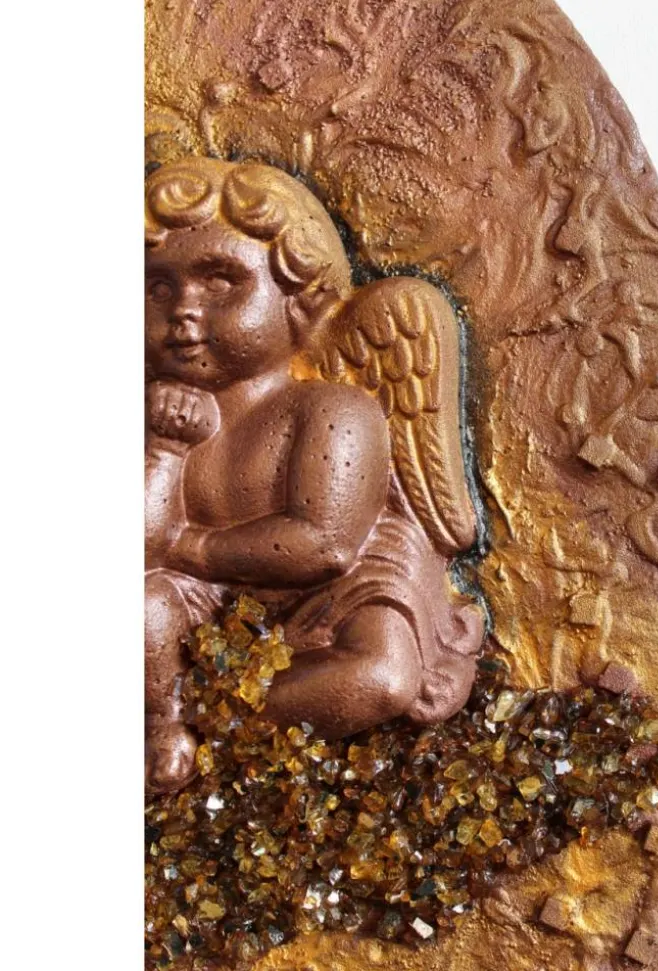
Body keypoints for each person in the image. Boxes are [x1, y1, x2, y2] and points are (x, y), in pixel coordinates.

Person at [145, 158, 484, 793]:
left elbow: (324, 543)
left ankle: (210, 723)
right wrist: (163, 449)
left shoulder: (331, 410)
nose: (184, 310)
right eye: (158, 289)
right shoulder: (154, 412)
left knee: (381, 676)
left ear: (300, 302)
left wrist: (188, 548)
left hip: (336, 589)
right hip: (207, 599)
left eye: (221, 282)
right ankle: (166, 723)